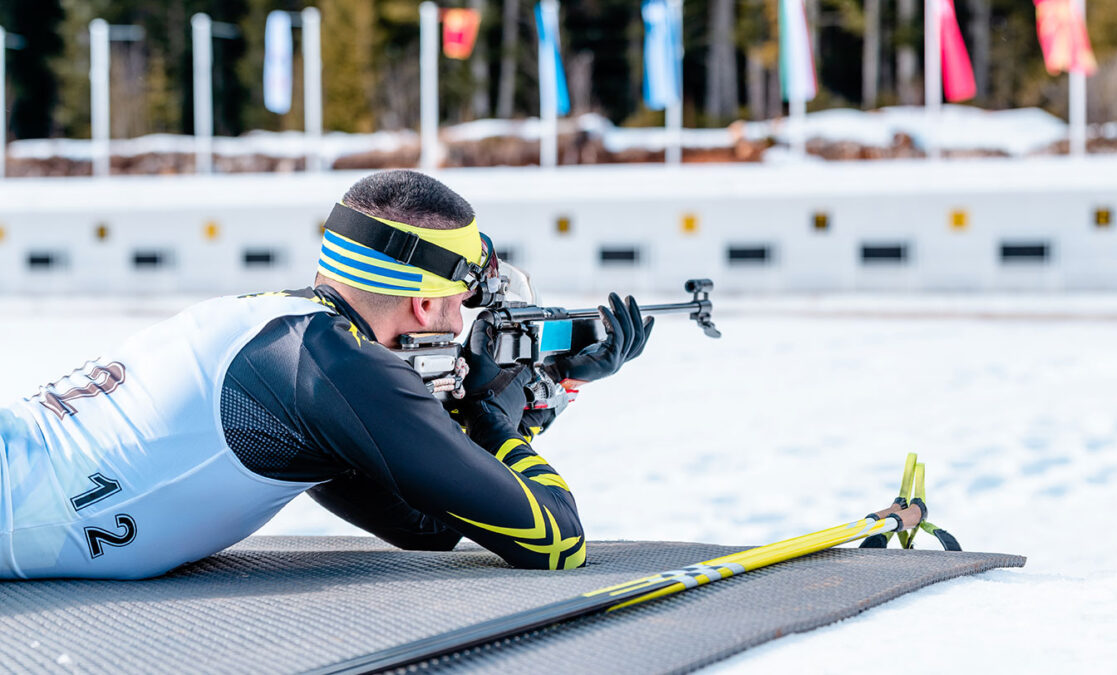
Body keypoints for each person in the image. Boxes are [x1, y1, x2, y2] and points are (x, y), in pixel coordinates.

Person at [0, 169, 653, 579]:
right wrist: (483, 410)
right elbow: (554, 539)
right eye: (461, 301)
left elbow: (426, 524)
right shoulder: (341, 365)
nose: (460, 322)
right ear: (427, 301)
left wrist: (543, 393)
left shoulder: (291, 338)